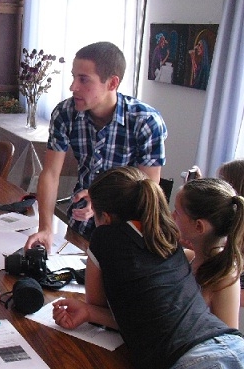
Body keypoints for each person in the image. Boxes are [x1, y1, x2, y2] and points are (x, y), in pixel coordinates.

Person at [52, 167, 244, 369]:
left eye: (177, 213)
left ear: (105, 218)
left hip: (195, 360)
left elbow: (98, 302)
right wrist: (90, 313)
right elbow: (150, 319)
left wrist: (93, 310)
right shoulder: (169, 243)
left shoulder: (105, 237)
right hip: (233, 345)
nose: (172, 216)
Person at [26, 41, 167, 252]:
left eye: (83, 80)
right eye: (74, 77)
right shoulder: (65, 113)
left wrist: (101, 197)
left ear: (112, 83)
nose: (73, 87)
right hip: (81, 222)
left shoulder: (145, 121)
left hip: (128, 228)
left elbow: (148, 188)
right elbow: (50, 173)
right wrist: (45, 227)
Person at [173, 178, 244, 328]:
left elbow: (229, 338)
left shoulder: (224, 277)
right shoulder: (189, 257)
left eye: (177, 213)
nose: (172, 216)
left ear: (199, 226)